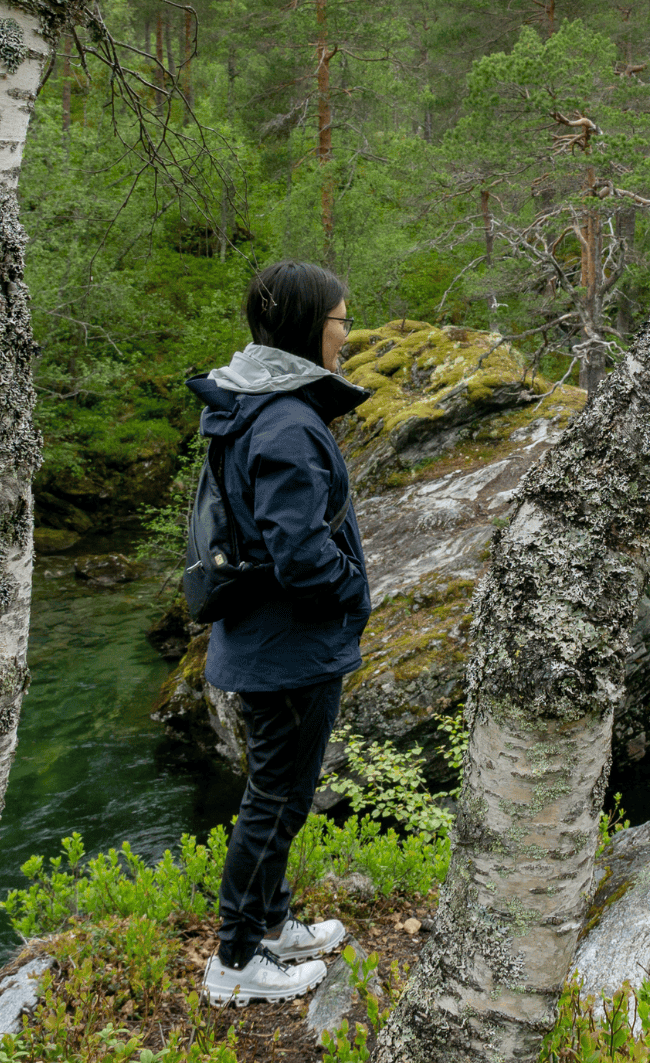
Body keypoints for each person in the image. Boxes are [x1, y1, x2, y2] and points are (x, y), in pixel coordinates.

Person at [187, 261, 373, 1005]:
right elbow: (300, 555)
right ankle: (236, 961)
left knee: (283, 793)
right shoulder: (289, 423)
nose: (347, 335)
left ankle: (270, 924)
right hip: (288, 648)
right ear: (308, 327)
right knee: (276, 799)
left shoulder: (255, 404)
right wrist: (353, 590)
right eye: (342, 321)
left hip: (267, 640)